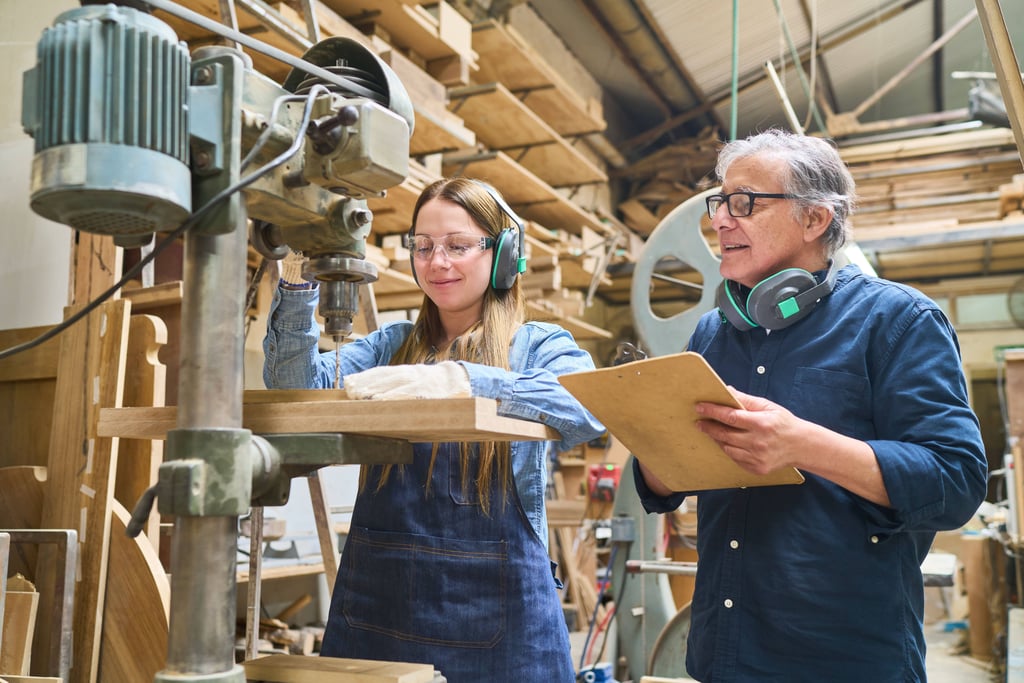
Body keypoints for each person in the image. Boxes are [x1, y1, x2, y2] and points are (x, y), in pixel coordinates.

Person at [633, 129, 988, 682]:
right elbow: (670, 477)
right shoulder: (712, 333)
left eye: (744, 203)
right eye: (719, 203)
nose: (720, 220)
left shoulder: (897, 321)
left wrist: (801, 444)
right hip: (721, 655)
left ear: (815, 219)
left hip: (843, 660)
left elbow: (956, 479)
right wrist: (657, 453)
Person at [263, 177, 605, 682]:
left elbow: (588, 403)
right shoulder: (390, 346)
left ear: (504, 254)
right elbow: (296, 390)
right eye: (422, 247)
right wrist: (297, 276)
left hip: (498, 617)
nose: (437, 262)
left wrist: (463, 380)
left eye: (458, 246)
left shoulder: (537, 346)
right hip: (378, 607)